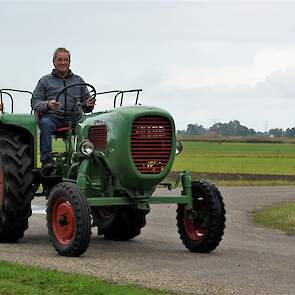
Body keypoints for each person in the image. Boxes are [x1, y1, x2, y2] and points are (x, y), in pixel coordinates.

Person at [31, 47, 95, 172]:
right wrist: (48, 104)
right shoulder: (45, 81)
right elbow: (35, 102)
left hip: (74, 117)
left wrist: (88, 104)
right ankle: (46, 161)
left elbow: (87, 106)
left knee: (91, 124)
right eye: (60, 60)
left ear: (69, 62)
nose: (63, 62)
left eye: (66, 60)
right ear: (54, 62)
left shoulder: (78, 81)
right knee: (45, 123)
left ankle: (87, 157)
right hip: (54, 117)